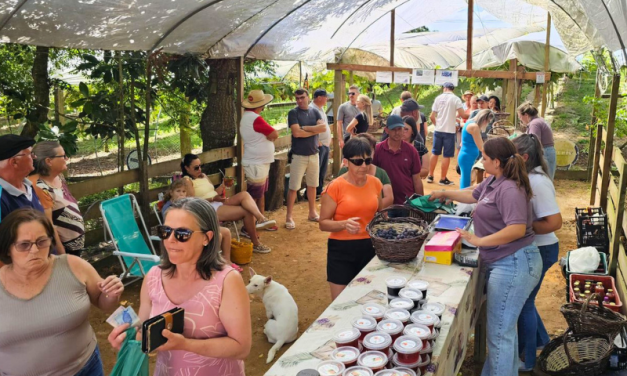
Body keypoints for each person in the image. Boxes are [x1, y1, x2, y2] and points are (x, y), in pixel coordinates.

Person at [430, 137, 541, 376]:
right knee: (503, 333)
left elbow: (517, 229)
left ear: (497, 162)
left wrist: (479, 241)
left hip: (514, 263)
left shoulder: (510, 188)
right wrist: (443, 193)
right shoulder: (494, 180)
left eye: (485, 158)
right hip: (507, 261)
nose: (482, 161)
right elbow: (472, 195)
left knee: (500, 334)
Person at [108, 198, 251, 375]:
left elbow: (241, 347)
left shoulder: (227, 281)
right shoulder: (153, 277)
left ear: (207, 238)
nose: (171, 240)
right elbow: (144, 331)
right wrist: (128, 340)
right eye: (165, 231)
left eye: (182, 234)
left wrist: (186, 344)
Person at [0, 208, 123, 376]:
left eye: (42, 241)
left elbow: (104, 303)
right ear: (7, 248)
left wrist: (111, 293)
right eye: (24, 245)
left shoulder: (74, 265)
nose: (35, 250)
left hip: (86, 368)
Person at [513, 134, 562, 372]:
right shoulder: (527, 176)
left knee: (524, 303)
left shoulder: (538, 182)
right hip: (536, 246)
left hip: (543, 249)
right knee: (527, 301)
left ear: (524, 158)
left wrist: (524, 227)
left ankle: (528, 360)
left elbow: (555, 222)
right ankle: (542, 341)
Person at [320, 138, 382, 300]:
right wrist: (343, 224)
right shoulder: (335, 187)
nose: (364, 166)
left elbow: (380, 213)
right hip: (341, 250)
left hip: (370, 248)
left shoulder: (376, 183)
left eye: (367, 161)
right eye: (358, 161)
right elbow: (323, 223)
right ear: (346, 162)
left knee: (366, 300)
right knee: (340, 303)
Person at [180, 154, 275, 254]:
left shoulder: (203, 176)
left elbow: (213, 191)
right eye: (196, 167)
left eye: (200, 166)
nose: (199, 169)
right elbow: (192, 202)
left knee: (244, 194)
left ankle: (261, 219)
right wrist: (213, 198)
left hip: (217, 201)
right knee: (247, 211)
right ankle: (256, 243)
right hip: (208, 207)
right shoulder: (187, 180)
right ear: (187, 168)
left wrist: (222, 186)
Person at [32, 141, 85, 255]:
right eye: (63, 156)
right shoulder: (40, 186)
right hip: (64, 250)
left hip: (75, 247)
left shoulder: (59, 177)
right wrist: (61, 252)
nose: (67, 158)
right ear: (48, 161)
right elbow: (48, 224)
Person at [286, 88, 327, 229]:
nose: (299, 100)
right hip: (298, 156)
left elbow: (323, 128)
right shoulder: (293, 112)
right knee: (293, 187)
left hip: (314, 154)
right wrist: (314, 129)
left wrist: (306, 128)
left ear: (308, 97)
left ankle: (312, 212)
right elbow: (296, 133)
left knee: (312, 185)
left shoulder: (314, 111)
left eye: (302, 97)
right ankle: (289, 217)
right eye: (297, 98)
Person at [240, 89, 278, 225]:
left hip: (258, 161)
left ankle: (260, 220)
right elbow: (274, 134)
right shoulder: (255, 118)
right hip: (257, 163)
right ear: (260, 105)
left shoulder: (248, 117)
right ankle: (248, 226)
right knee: (254, 196)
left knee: (259, 193)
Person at [373, 115, 423, 204]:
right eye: (393, 129)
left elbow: (417, 179)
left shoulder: (412, 151)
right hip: (384, 203)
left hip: (407, 202)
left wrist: (420, 203)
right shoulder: (377, 150)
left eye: (399, 129)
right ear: (387, 130)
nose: (397, 132)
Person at [337, 133, 394, 208]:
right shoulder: (344, 171)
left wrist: (370, 209)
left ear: (374, 151)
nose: (365, 154)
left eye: (369, 151)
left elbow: (389, 198)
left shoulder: (381, 173)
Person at [428, 82, 467, 186]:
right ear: (452, 89)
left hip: (438, 130)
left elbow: (432, 116)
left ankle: (430, 176)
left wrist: (437, 125)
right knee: (447, 155)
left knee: (435, 153)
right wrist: (473, 114)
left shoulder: (438, 98)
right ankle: (443, 178)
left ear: (444, 88)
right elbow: (463, 114)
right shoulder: (456, 99)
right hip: (449, 131)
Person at [0, 135, 45, 222]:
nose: (34, 157)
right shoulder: (2, 197)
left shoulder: (28, 186)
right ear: (14, 162)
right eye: (30, 154)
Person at [518, 101, 556, 180]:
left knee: (544, 180)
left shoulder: (534, 124)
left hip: (545, 153)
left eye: (520, 117)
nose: (520, 120)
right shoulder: (539, 120)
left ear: (526, 115)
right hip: (548, 151)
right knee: (547, 179)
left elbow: (532, 142)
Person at [458, 110, 495, 189]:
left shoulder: (470, 123)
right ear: (484, 120)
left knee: (467, 179)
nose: (488, 124)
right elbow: (481, 146)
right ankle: (463, 199)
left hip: (467, 156)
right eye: (488, 122)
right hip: (467, 157)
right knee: (466, 181)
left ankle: (463, 197)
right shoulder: (474, 127)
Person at [311, 89, 332, 197]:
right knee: (316, 169)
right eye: (325, 97)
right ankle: (311, 192)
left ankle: (319, 190)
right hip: (319, 144)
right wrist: (317, 140)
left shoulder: (321, 109)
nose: (326, 99)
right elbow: (311, 127)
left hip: (325, 144)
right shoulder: (311, 109)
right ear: (319, 97)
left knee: (322, 169)